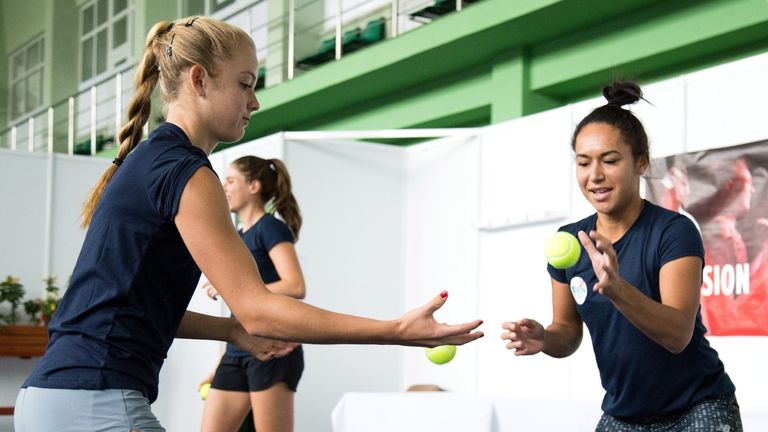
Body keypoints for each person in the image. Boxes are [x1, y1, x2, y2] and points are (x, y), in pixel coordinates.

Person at [14, 16, 482, 432]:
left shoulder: (151, 160)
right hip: (96, 400)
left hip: (51, 399)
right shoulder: (186, 172)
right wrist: (394, 330)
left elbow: (129, 307)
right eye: (245, 83)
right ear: (199, 80)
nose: (254, 101)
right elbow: (259, 308)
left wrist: (230, 332)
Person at [501, 81, 742, 431]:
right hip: (624, 414)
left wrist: (617, 289)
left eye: (609, 160)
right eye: (583, 163)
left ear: (640, 162)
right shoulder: (569, 242)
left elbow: (677, 335)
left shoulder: (673, 232)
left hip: (698, 406)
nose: (594, 175)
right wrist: (544, 339)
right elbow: (567, 331)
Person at [199, 156, 306, 432]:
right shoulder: (237, 236)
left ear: (254, 186)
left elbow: (295, 285)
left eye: (231, 180)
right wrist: (219, 362)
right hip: (238, 351)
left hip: (274, 348)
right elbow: (240, 309)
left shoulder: (270, 228)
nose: (224, 187)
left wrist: (234, 290)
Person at [687, 157, 768, 335]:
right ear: (731, 184)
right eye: (748, 181)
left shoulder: (727, 231)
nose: (752, 189)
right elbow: (732, 306)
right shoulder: (721, 235)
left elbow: (740, 284)